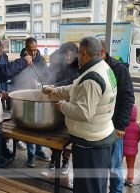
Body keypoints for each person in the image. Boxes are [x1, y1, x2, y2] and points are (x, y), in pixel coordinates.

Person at [43, 36, 117, 193]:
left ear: (83, 53)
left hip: (90, 144)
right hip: (100, 136)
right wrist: (54, 91)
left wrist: (61, 105)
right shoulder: (101, 67)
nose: (77, 57)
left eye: (78, 53)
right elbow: (76, 88)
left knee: (87, 188)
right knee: (96, 186)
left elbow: (83, 113)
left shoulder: (92, 78)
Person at [100, 40, 135, 193]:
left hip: (114, 127)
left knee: (114, 165)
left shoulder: (118, 68)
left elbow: (128, 98)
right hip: (99, 125)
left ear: (102, 52)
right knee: (101, 165)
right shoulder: (95, 66)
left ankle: (116, 191)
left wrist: (121, 125)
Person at [11, 37, 51, 168]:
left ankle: (39, 151)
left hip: (39, 96)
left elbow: (46, 75)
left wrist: (40, 83)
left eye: (35, 50)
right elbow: (15, 78)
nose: (33, 53)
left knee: (39, 125)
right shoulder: (20, 60)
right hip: (26, 97)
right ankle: (31, 155)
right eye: (30, 50)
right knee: (30, 127)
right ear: (25, 48)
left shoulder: (40, 59)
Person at [48, 42, 79, 174]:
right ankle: (54, 158)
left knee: (68, 135)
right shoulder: (58, 62)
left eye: (70, 55)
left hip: (71, 103)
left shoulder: (79, 65)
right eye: (65, 55)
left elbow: (73, 81)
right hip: (58, 100)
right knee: (55, 133)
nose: (68, 58)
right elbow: (51, 74)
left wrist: (55, 86)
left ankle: (65, 161)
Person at [123, 104, 140, 187]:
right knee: (130, 165)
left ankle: (118, 179)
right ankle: (130, 180)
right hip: (133, 151)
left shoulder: (123, 125)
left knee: (118, 164)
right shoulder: (137, 126)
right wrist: (135, 143)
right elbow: (139, 136)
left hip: (122, 149)